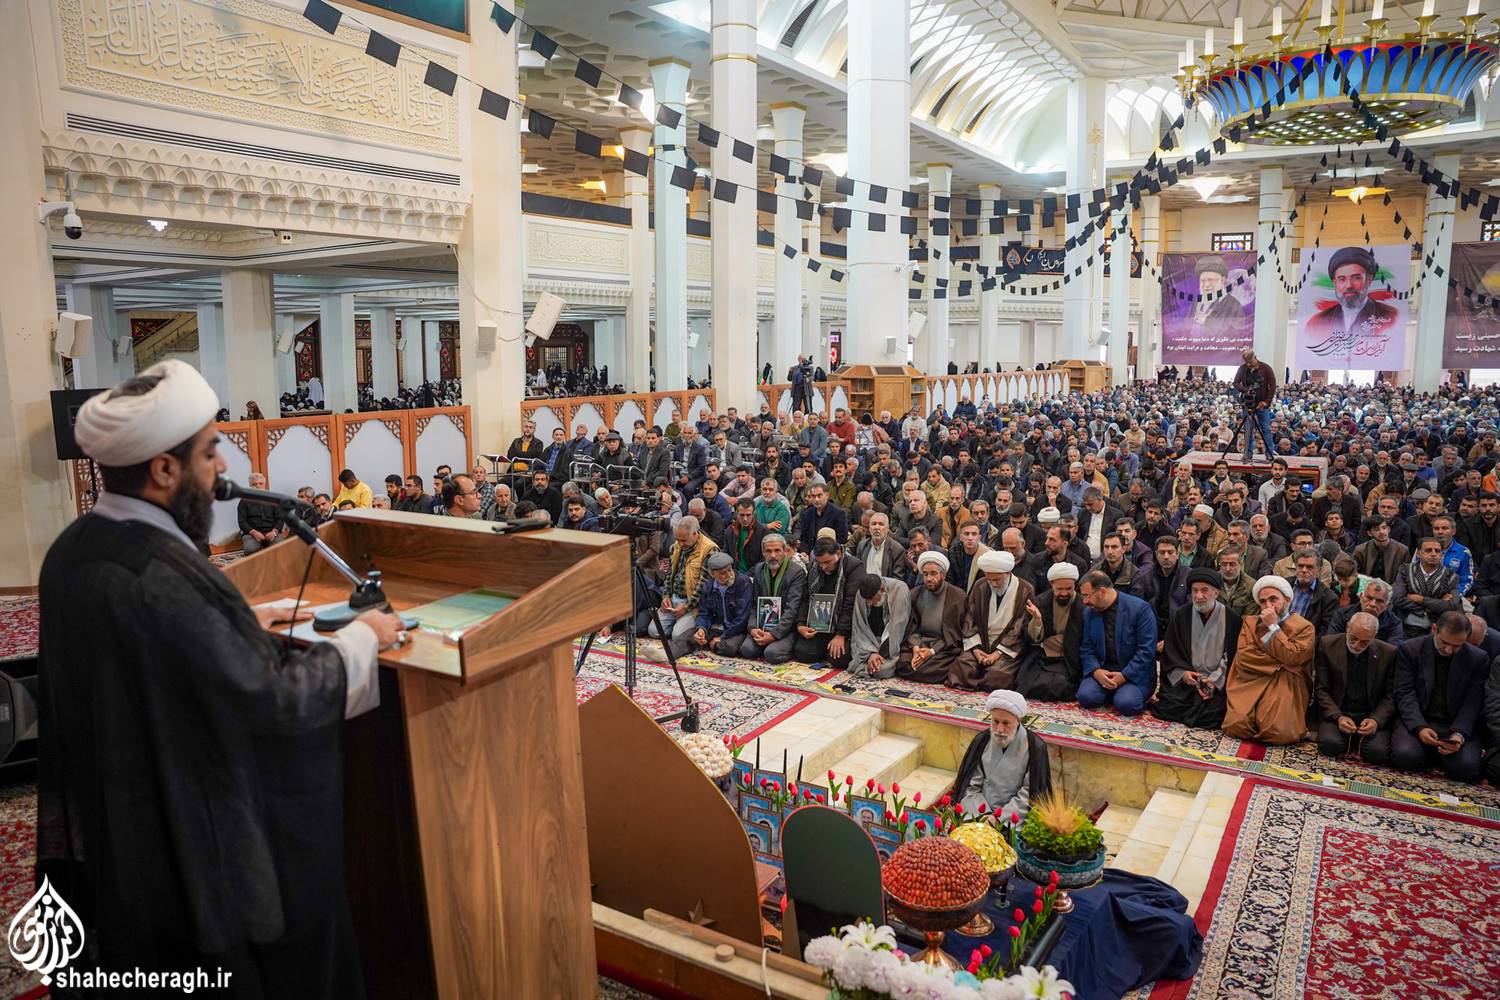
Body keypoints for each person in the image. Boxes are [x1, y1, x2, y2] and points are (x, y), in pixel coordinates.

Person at [38, 360, 404, 995]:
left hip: (120, 823)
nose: (222, 468)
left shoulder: (75, 548)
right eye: (209, 453)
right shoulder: (159, 573)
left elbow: (147, 658)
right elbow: (274, 703)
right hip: (188, 848)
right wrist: (362, 639)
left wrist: (236, 622)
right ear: (164, 469)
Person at [1390, 611, 1488, 782]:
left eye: (1456, 646)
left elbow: (1473, 702)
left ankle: (1438, 755)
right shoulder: (1411, 649)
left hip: (1454, 724)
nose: (1449, 650)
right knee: (1405, 755)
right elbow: (1404, 693)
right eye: (1445, 642)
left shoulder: (1477, 659)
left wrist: (1459, 734)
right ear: (1434, 629)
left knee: (1466, 768)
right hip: (1419, 718)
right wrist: (1420, 727)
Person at [1222, 576, 1316, 745]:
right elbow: (1245, 656)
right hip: (1252, 679)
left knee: (1278, 733)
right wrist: (1281, 664)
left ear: (1287, 600)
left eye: (1273, 599)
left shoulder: (1304, 627)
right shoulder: (1250, 623)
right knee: (1235, 726)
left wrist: (1273, 627)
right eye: (1263, 601)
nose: (1268, 605)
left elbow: (1295, 657)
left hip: (1284, 682)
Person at [1152, 568, 1243, 729]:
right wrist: (1183, 673)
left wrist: (1214, 681)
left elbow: (1232, 656)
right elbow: (1171, 651)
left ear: (1216, 593)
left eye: (1204, 590)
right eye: (1195, 590)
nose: (1199, 596)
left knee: (1216, 713)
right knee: (1167, 706)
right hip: (1187, 680)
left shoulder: (1232, 619)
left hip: (1217, 682)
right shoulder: (1181, 615)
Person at [952, 690, 1052, 823]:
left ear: (1018, 720)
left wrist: (999, 818)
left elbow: (1031, 792)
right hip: (979, 813)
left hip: (1013, 819)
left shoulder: (1035, 748)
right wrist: (983, 814)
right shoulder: (982, 741)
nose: (999, 729)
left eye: (1006, 723)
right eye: (995, 721)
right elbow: (971, 784)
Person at [1313, 612, 1396, 765]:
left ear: (1374, 637)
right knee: (1330, 745)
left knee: (1377, 753)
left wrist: (1376, 720)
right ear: (1347, 627)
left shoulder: (1388, 653)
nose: (1357, 645)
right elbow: (1321, 689)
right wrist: (1338, 716)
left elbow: (1390, 695)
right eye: (1353, 638)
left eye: (1364, 642)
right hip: (1338, 710)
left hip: (1369, 713)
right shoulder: (1328, 644)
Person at [949, 551, 1033, 691]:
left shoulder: (1025, 590)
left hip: (1007, 648)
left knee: (997, 677)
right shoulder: (980, 585)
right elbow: (971, 618)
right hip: (981, 642)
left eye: (997, 580)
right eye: (989, 580)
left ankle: (983, 678)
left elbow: (1021, 626)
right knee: (961, 668)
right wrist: (976, 649)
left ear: (1008, 573)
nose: (993, 584)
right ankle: (979, 675)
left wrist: (997, 653)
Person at [1076, 571, 1158, 716]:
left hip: (1133, 673)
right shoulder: (1089, 612)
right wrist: (1096, 671)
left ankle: (1120, 693)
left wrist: (1124, 676)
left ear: (1102, 591)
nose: (1084, 601)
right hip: (1103, 670)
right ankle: (1111, 690)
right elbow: (1086, 647)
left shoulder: (1140, 609)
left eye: (1087, 596)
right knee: (1086, 697)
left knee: (1127, 704)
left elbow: (1146, 651)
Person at [720, 533, 805, 664]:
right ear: (763, 552)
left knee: (772, 654)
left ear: (784, 551)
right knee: (746, 650)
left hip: (785, 627)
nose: (773, 555)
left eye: (777, 550)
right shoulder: (759, 569)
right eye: (768, 551)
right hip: (762, 623)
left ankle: (784, 646)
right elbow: (754, 603)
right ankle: (767, 643)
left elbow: (792, 609)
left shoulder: (796, 572)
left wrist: (773, 634)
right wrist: (753, 628)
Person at [638, 516, 718, 650]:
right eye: (678, 539)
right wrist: (666, 596)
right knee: (654, 631)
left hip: (694, 604)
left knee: (677, 635)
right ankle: (681, 625)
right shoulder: (676, 547)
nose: (680, 544)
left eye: (684, 540)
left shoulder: (710, 550)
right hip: (674, 598)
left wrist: (686, 607)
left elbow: (704, 586)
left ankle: (694, 627)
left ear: (695, 534)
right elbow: (669, 575)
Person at [895, 550, 967, 684]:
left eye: (933, 573)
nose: (928, 578)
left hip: (943, 647)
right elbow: (911, 627)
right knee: (902, 663)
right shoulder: (915, 594)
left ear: (943, 575)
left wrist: (932, 651)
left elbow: (954, 635)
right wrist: (916, 648)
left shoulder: (957, 596)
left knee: (939, 667)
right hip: (920, 643)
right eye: (925, 574)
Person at [1018, 563, 1084, 701]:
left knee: (1059, 685)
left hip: (1069, 657)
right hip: (1042, 655)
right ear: (1051, 585)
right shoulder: (1040, 602)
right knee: (1028, 683)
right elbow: (1032, 639)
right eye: (1059, 589)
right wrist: (1037, 620)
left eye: (1069, 588)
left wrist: (1064, 641)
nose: (1064, 593)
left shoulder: (1083, 604)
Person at [1305, 246, 1399, 343]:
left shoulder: (1391, 317)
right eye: (1342, 279)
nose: (1349, 286)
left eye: (1356, 278)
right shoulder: (1316, 323)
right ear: (1334, 283)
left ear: (1369, 280)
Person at [673, 552, 753, 659]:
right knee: (689, 635)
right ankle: (667, 654)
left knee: (729, 647)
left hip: (735, 630)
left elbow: (742, 618)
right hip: (716, 627)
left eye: (729, 570)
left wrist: (722, 637)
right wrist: (701, 629)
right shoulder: (708, 586)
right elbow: (704, 613)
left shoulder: (744, 583)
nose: (728, 575)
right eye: (722, 573)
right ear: (712, 574)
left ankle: (712, 644)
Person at [1394, 537, 1461, 639]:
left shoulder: (1451, 576)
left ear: (1441, 555)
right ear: (1418, 553)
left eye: (1437, 551)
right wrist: (1437, 602)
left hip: (1434, 629)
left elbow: (1452, 605)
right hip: (1404, 626)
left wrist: (1421, 599)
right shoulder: (1405, 570)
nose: (1433, 554)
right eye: (1428, 550)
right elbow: (1398, 600)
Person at [849, 572, 912, 680]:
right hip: (869, 644)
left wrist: (880, 654)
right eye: (867, 600)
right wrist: (871, 654)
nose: (869, 603)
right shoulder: (861, 593)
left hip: (891, 646)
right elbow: (859, 627)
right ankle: (870, 663)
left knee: (880, 670)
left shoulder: (899, 590)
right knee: (843, 660)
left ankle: (872, 665)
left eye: (872, 599)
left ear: (882, 590)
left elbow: (897, 631)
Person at [1231, 347, 1277, 461]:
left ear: (1255, 357)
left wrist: (1266, 401)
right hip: (1248, 403)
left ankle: (1269, 455)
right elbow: (1235, 382)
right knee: (1248, 430)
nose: (1249, 364)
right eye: (1246, 362)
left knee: (1266, 429)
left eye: (1250, 362)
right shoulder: (1242, 368)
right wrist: (1244, 389)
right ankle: (1247, 455)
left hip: (1262, 404)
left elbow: (1273, 386)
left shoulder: (1266, 368)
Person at [237, 471, 286, 553]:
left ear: (264, 485)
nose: (258, 486)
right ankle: (261, 548)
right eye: (254, 484)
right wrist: (254, 533)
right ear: (250, 486)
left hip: (272, 533)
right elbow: (242, 521)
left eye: (260, 483)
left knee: (281, 547)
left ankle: (266, 548)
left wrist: (274, 532)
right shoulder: (244, 501)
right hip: (252, 534)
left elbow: (280, 519)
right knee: (250, 549)